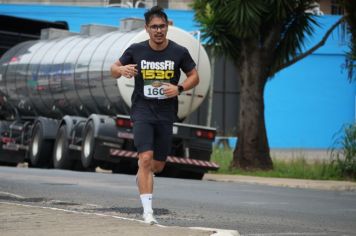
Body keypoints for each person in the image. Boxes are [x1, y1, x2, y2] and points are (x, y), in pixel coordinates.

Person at [110, 6, 199, 225]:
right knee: (146, 159)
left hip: (166, 113)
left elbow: (194, 76)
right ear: (147, 29)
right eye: (154, 27)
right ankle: (148, 211)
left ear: (167, 27)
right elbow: (113, 68)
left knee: (157, 165)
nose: (158, 30)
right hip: (142, 111)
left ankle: (143, 174)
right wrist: (121, 71)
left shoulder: (179, 52)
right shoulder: (136, 50)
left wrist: (178, 88)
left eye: (161, 26)